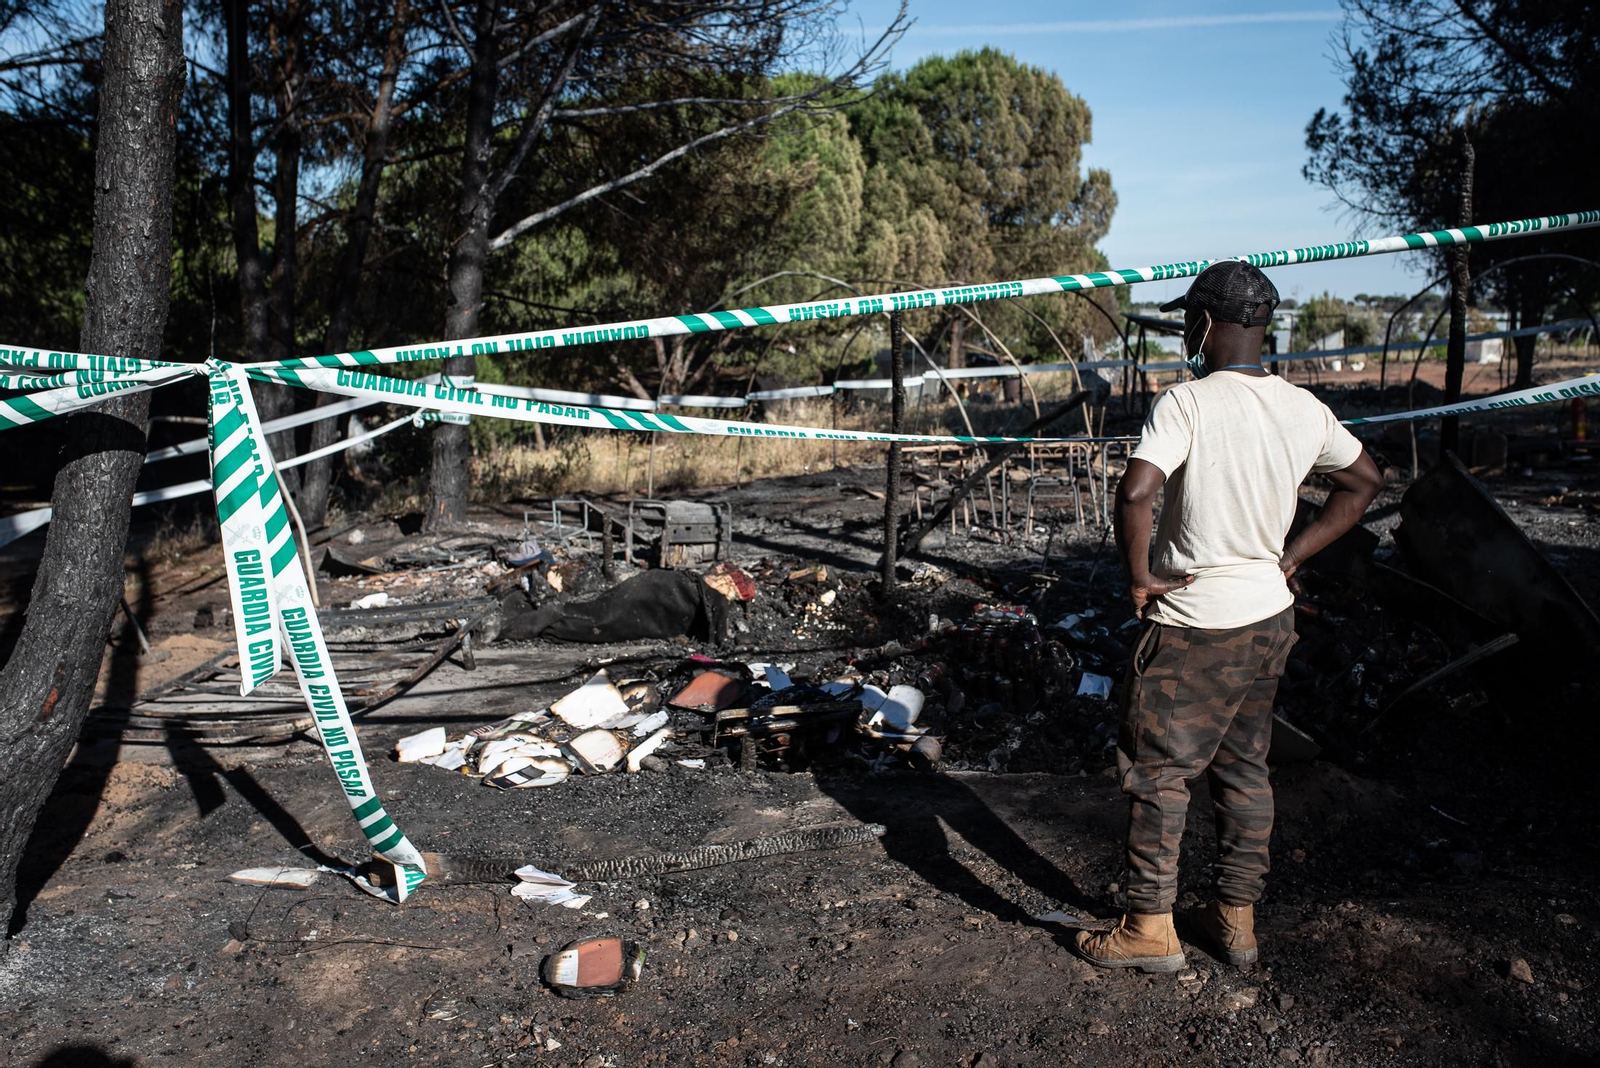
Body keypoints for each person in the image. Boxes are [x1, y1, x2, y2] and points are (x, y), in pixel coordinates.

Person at [1075, 261, 1383, 973]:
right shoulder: (1304, 408)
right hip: (1269, 617)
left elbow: (1136, 493)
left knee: (1159, 773)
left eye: (1192, 320)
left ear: (1205, 324)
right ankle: (1235, 920)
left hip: (1196, 623)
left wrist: (1140, 576)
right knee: (1245, 767)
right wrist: (1292, 554)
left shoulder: (1185, 404)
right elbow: (1365, 481)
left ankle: (1150, 928)